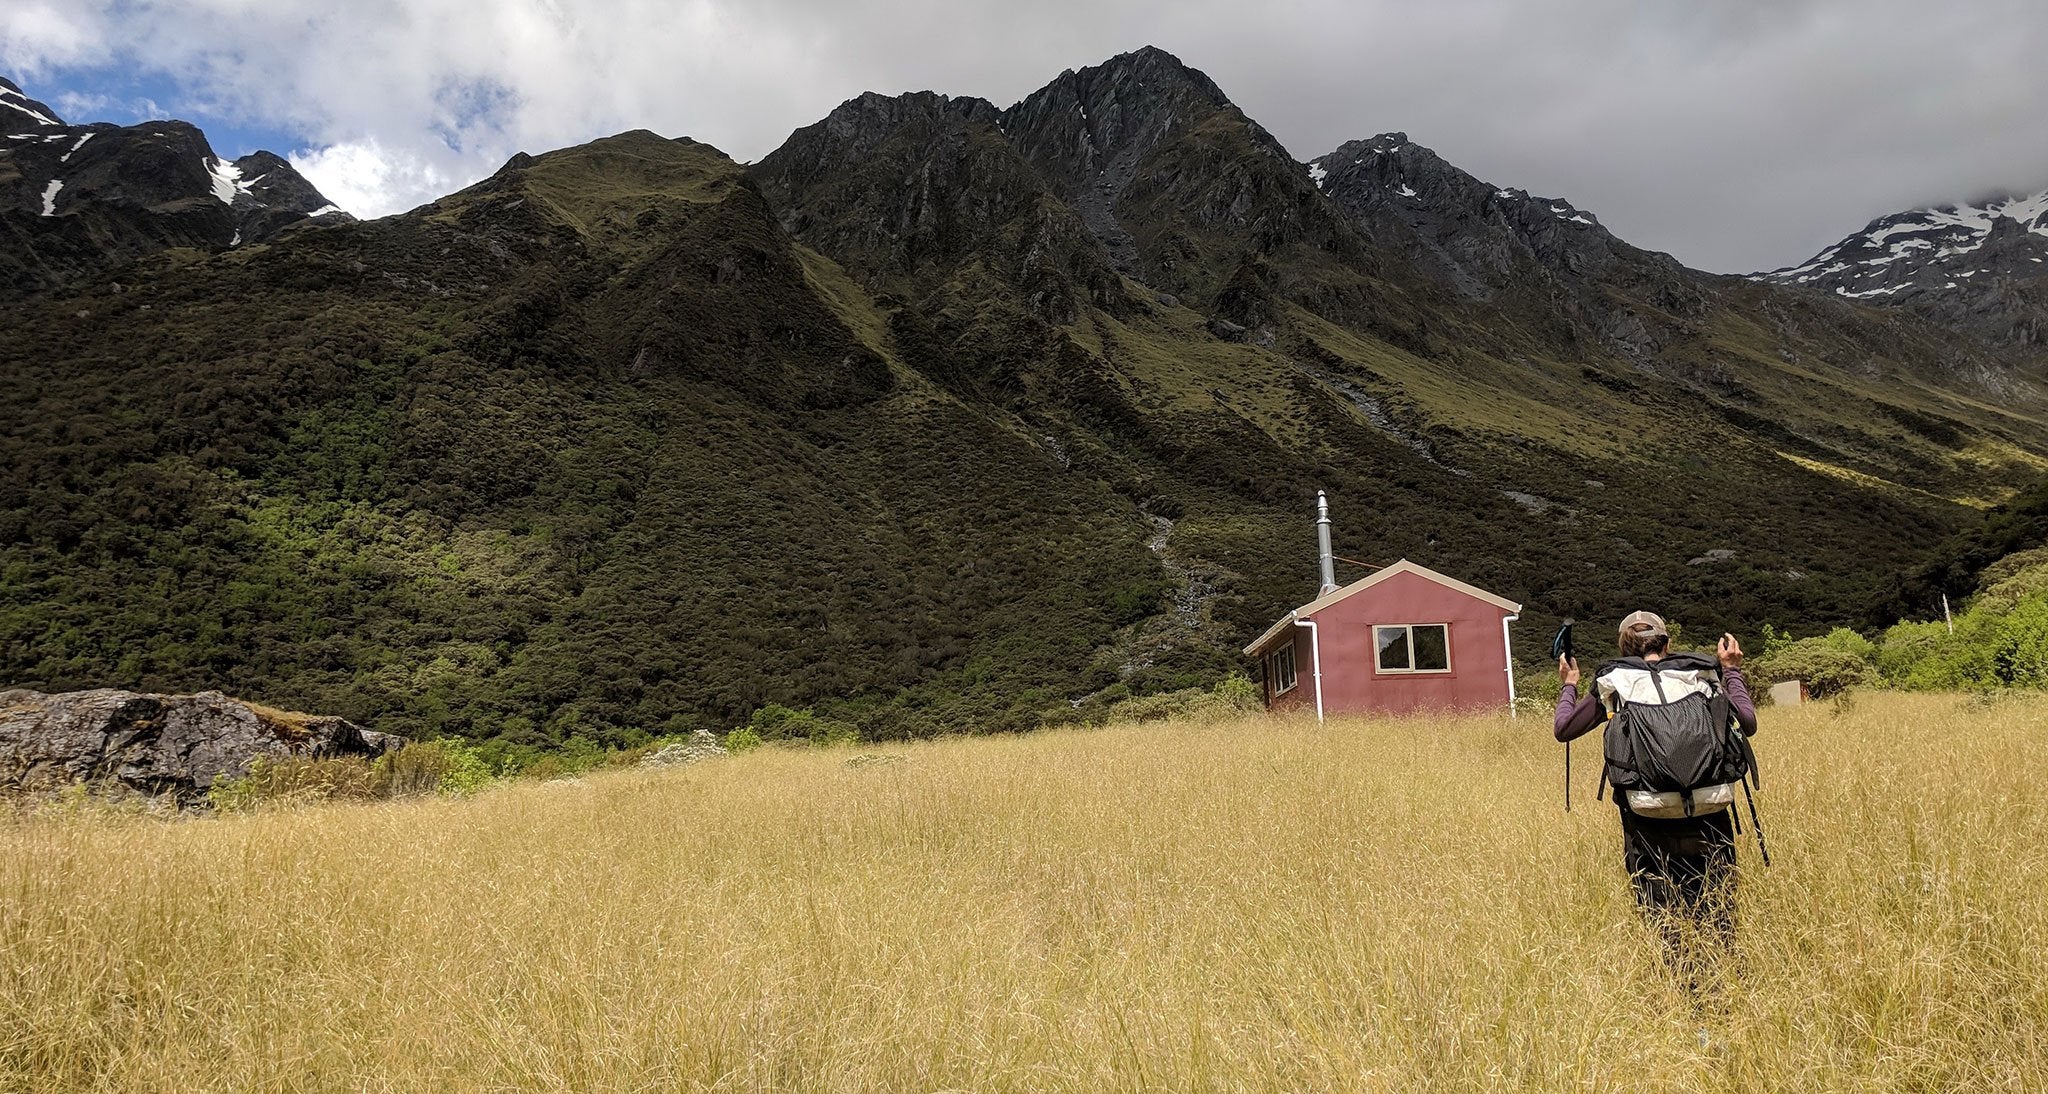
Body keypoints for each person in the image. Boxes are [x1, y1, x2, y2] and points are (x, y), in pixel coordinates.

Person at [1553, 611, 1758, 976]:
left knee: (1664, 917)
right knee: (1718, 913)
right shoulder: (1701, 673)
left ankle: (1684, 1000)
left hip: (1647, 819)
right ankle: (1726, 992)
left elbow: (1565, 729)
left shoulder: (1615, 682)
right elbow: (1748, 723)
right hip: (1710, 811)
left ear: (1624, 647)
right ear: (1667, 643)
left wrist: (1569, 684)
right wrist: (1732, 670)